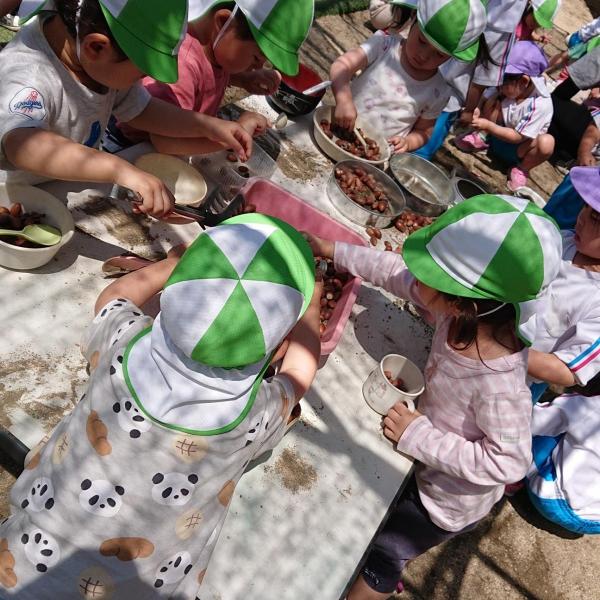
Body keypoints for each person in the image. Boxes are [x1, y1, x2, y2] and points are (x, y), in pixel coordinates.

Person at [0, 213, 321, 597]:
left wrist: (171, 265)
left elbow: (112, 298)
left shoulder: (123, 341)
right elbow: (299, 373)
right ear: (277, 339)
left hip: (18, 561)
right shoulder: (252, 414)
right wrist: (312, 308)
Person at [307, 194, 562, 600]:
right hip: (425, 457)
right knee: (380, 515)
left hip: (442, 500)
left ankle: (381, 580)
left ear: (462, 301)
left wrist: (418, 436)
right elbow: (394, 272)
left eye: (428, 274)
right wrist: (333, 250)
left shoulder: (500, 383)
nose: (415, 275)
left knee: (385, 555)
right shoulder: (464, 312)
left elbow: (509, 462)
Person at [0, 0, 253, 219]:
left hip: (56, 193)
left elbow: (143, 110)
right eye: (141, 73)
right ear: (96, 47)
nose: (143, 80)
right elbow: (22, 145)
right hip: (10, 199)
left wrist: (207, 126)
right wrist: (119, 169)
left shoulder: (97, 64)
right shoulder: (28, 74)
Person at [110, 0, 314, 154]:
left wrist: (242, 79)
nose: (258, 66)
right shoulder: (183, 67)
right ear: (223, 22)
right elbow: (165, 141)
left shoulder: (214, 50)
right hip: (131, 152)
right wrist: (233, 136)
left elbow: (208, 75)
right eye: (256, 57)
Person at [329, 0, 486, 154]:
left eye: (439, 55)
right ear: (413, 17)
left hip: (375, 156)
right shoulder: (384, 45)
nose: (424, 56)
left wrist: (408, 142)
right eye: (422, 41)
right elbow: (342, 65)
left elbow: (424, 132)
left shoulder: (439, 91)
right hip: (337, 132)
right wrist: (344, 99)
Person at [414, 0, 528, 161]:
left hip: (420, 78)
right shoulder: (502, 30)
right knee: (419, 153)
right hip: (448, 100)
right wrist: (469, 110)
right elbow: (481, 78)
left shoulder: (460, 6)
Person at [524, 167, 600, 398]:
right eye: (585, 207)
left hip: (519, 383)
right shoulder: (561, 240)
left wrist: (507, 354)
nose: (581, 218)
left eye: (595, 218)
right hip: (481, 339)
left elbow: (568, 370)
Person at [454, 41, 554, 191]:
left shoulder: (540, 104)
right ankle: (481, 137)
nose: (500, 85)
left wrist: (488, 125)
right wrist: (477, 110)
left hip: (518, 149)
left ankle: (522, 168)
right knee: (494, 99)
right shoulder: (507, 88)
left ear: (524, 81)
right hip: (495, 136)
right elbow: (484, 98)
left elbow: (518, 137)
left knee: (546, 143)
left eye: (504, 82)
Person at [526, 374, 600, 534]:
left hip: (552, 500)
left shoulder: (589, 405)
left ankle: (515, 473)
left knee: (546, 430)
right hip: (596, 523)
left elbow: (533, 422)